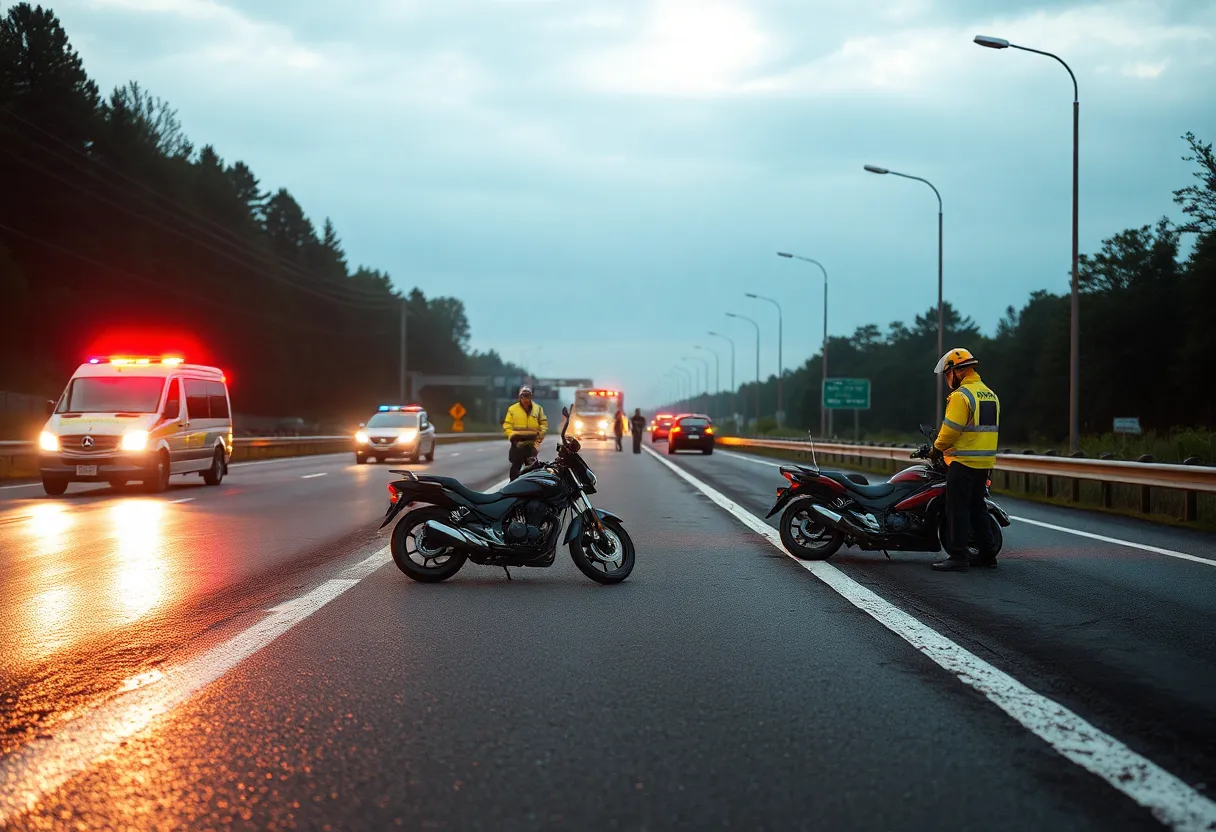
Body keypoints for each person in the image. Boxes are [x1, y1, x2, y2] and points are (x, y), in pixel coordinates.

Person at [929, 348, 1000, 572]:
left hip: (964, 462)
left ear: (957, 372)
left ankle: (958, 557)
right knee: (977, 507)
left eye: (948, 374)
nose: (948, 379)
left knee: (957, 508)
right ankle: (988, 555)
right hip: (984, 464)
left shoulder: (962, 396)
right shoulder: (989, 394)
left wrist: (936, 449)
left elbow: (950, 431)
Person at [502, 385, 548, 481]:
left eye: (528, 396)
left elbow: (543, 423)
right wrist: (512, 436)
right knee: (516, 466)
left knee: (532, 467)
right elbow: (507, 425)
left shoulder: (538, 409)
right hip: (517, 442)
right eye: (523, 396)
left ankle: (531, 488)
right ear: (520, 397)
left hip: (532, 443)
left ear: (531, 397)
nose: (525, 399)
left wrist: (540, 436)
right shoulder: (512, 409)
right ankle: (512, 486)